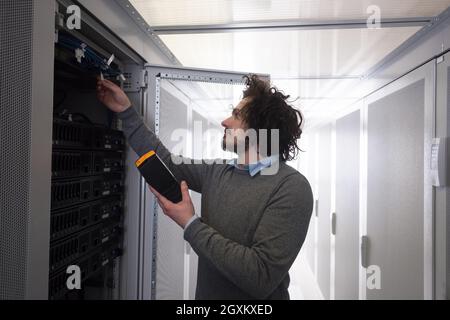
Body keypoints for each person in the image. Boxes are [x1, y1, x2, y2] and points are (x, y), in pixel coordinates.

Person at [97, 74, 313, 300]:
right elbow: (166, 162)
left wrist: (190, 223)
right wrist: (126, 111)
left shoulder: (291, 188)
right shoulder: (218, 171)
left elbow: (260, 276)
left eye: (236, 115)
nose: (225, 122)